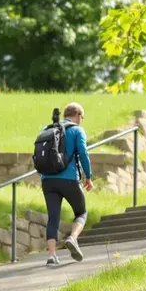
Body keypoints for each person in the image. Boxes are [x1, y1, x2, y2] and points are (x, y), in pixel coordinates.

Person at [41, 102, 93, 266]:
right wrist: (88, 177)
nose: (81, 120)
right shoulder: (77, 130)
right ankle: (72, 238)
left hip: (47, 179)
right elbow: (83, 153)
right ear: (77, 114)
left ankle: (51, 255)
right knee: (81, 212)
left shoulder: (46, 129)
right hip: (69, 178)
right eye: (81, 117)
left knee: (53, 217)